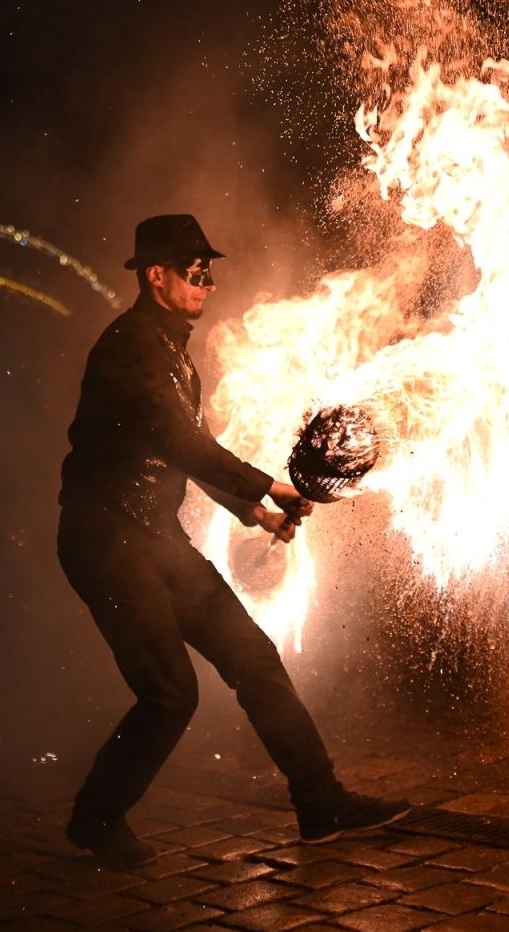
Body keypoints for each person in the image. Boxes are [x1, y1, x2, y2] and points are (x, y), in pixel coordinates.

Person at [58, 214, 410, 866]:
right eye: (194, 270)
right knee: (171, 693)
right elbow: (179, 442)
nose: (208, 281)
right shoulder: (129, 347)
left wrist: (257, 511)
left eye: (209, 270)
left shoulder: (171, 355)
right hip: (105, 539)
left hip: (153, 536)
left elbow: (189, 453)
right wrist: (270, 487)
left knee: (252, 655)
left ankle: (319, 800)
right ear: (155, 275)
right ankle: (95, 816)